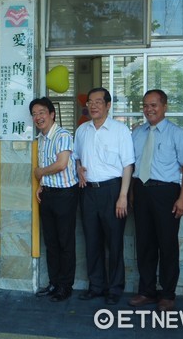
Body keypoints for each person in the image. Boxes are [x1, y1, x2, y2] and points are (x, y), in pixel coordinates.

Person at [128, 89, 183, 312]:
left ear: (164, 106)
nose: (149, 109)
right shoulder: (137, 133)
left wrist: (182, 198)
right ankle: (146, 291)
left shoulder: (178, 134)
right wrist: (130, 194)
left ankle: (167, 294)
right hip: (141, 191)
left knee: (167, 244)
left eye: (154, 105)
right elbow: (132, 166)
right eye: (145, 105)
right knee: (144, 244)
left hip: (166, 193)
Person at [74, 87, 134, 305]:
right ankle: (96, 286)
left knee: (114, 241)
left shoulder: (120, 130)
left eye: (99, 101)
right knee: (92, 241)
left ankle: (115, 288)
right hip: (88, 191)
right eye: (90, 101)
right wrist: (79, 167)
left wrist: (123, 196)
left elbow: (128, 165)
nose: (94, 105)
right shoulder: (82, 130)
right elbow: (77, 158)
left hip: (113, 190)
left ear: (108, 105)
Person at [31, 97, 79, 302]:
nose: (38, 117)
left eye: (42, 112)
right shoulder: (40, 138)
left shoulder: (62, 135)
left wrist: (39, 172)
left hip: (65, 195)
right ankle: (54, 282)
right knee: (51, 242)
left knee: (65, 242)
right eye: (34, 114)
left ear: (52, 114)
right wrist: (41, 185)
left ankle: (65, 286)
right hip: (48, 194)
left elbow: (61, 164)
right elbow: (49, 167)